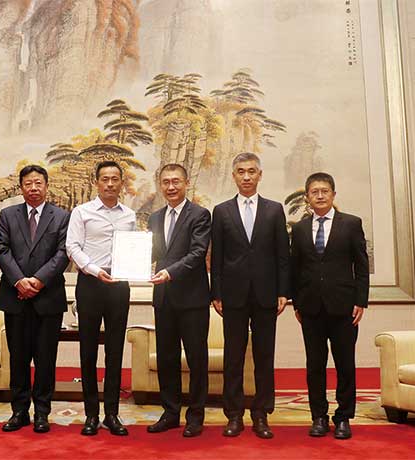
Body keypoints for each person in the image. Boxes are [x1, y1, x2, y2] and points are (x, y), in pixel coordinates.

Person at [211, 152, 290, 439]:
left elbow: (283, 255)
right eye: (241, 172)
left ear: (260, 175)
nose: (246, 176)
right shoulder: (221, 211)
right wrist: (216, 293)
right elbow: (217, 257)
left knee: (264, 356)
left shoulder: (274, 210)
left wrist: (283, 291)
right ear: (234, 176)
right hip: (232, 296)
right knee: (233, 357)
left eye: (251, 171)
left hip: (266, 294)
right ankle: (234, 415)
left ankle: (261, 414)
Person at [290, 172, 369, 440]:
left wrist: (360, 301)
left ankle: (344, 417)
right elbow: (295, 268)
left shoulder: (351, 224)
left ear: (334, 194)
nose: (320, 196)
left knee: (345, 364)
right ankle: (319, 417)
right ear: (307, 197)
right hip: (310, 308)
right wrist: (296, 302)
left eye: (325, 191)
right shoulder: (300, 229)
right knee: (315, 365)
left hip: (344, 307)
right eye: (314, 192)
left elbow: (361, 266)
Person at [0, 165, 70, 434]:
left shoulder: (62, 216)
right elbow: (2, 249)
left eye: (38, 183)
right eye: (28, 183)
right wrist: (19, 281)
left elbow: (63, 252)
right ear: (21, 187)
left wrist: (38, 280)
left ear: (46, 186)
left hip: (48, 297)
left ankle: (42, 412)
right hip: (15, 296)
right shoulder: (8, 215)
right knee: (18, 358)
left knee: (45, 359)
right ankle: (19, 411)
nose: (34, 188)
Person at [66, 160, 136, 436]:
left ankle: (112, 414)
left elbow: (133, 249)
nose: (109, 183)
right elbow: (72, 246)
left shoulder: (129, 215)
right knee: (88, 351)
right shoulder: (82, 212)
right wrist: (95, 270)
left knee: (115, 350)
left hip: (119, 285)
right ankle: (91, 414)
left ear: (121, 183)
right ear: (96, 182)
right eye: (104, 179)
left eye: (114, 179)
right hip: (90, 283)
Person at [146, 164, 211, 438]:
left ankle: (195, 416)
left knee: (196, 359)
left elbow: (197, 252)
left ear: (186, 184)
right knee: (167, 358)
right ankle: (170, 413)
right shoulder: (155, 218)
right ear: (160, 185)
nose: (171, 187)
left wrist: (169, 272)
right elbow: (154, 252)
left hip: (192, 299)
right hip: (164, 299)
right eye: (166, 182)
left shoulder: (200, 215)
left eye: (176, 181)